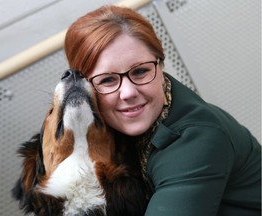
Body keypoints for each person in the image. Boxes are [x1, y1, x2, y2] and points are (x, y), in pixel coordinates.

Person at [64, 5, 261, 216]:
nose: (128, 92)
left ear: (160, 66)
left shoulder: (198, 140)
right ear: (84, 89)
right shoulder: (98, 132)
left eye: (140, 71)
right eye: (108, 80)